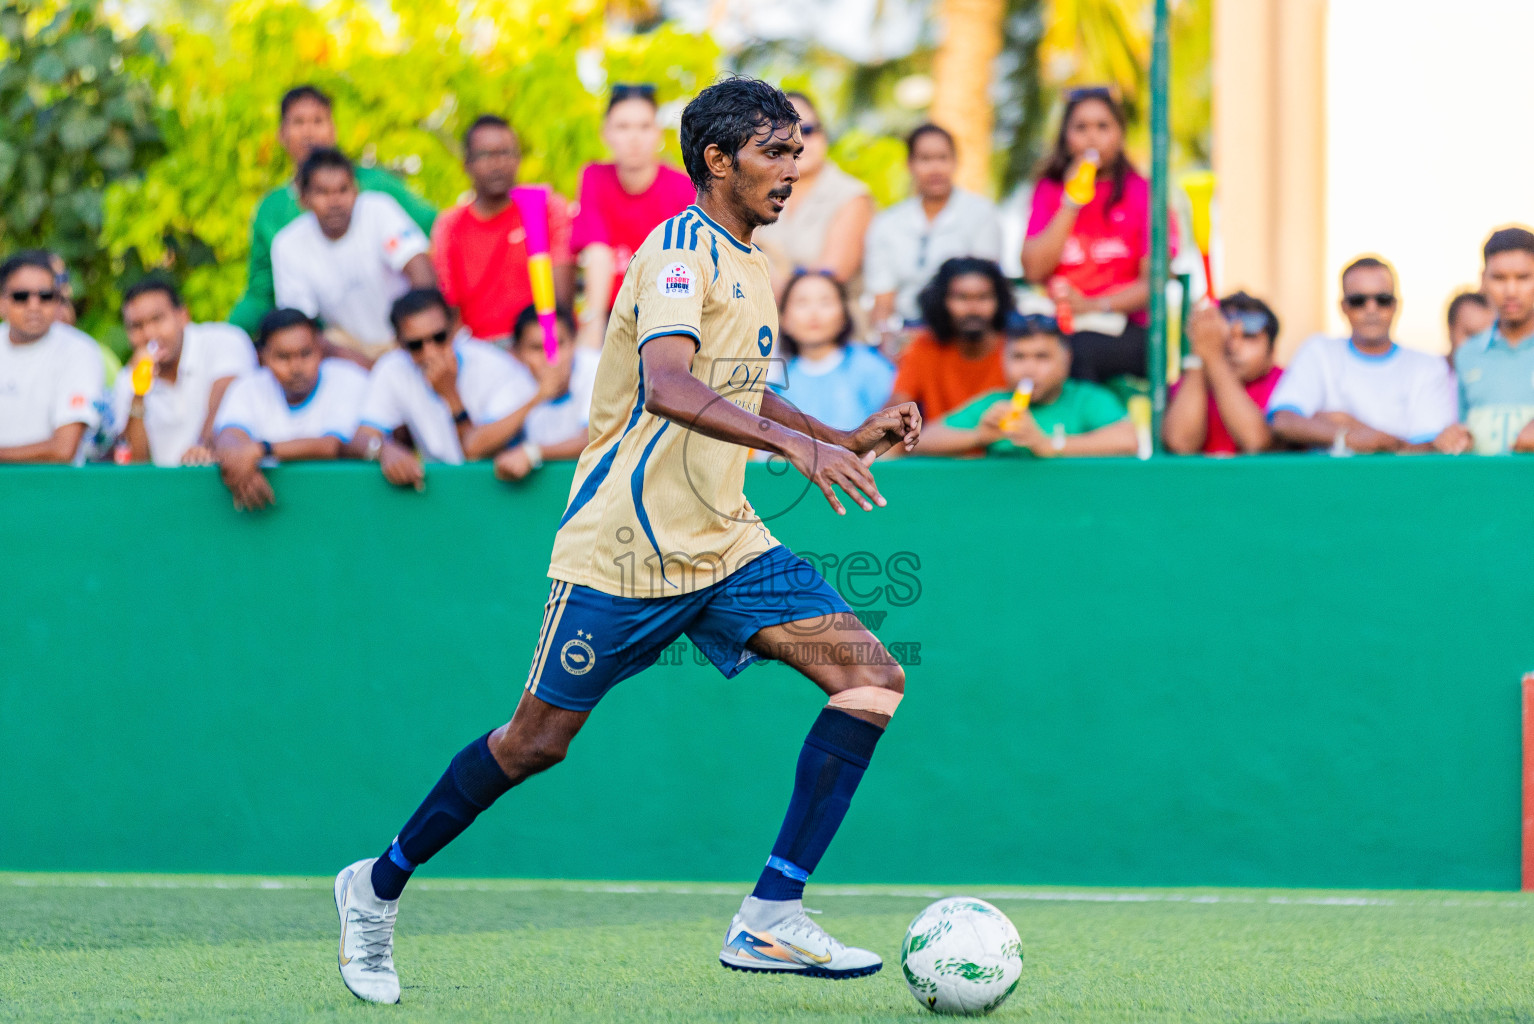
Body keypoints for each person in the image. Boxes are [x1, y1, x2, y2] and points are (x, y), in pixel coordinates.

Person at [331, 76, 922, 1006]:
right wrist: (801, 449)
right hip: (625, 550)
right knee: (533, 745)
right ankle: (377, 884)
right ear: (718, 160)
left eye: (798, 149)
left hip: (725, 543)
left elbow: (740, 385)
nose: (793, 167)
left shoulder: (752, 261)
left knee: (872, 678)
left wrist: (840, 436)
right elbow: (671, 387)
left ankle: (771, 914)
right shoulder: (679, 255)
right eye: (775, 150)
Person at [228, 85, 436, 337]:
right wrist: (228, 334)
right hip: (335, 344)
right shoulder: (272, 213)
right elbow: (262, 293)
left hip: (408, 331)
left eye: (318, 121)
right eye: (298, 122)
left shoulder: (378, 191)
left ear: (333, 130)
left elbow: (432, 231)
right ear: (281, 134)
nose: (309, 131)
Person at [1021, 87, 1177, 383]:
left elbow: (1155, 281)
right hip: (1056, 323)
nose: (1092, 137)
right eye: (1081, 127)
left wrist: (1093, 306)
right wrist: (1070, 203)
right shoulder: (1049, 190)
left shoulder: (1144, 192)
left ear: (1119, 134)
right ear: (1065, 137)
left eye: (1103, 126)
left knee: (1073, 353)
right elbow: (1034, 270)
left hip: (1127, 329)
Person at [347, 288, 543, 490]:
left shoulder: (495, 367)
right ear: (399, 343)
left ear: (455, 326)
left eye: (439, 337)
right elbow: (360, 437)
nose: (430, 352)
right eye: (416, 345)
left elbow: (474, 453)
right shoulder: (393, 368)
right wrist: (383, 449)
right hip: (439, 491)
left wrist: (450, 395)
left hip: (504, 488)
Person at [1269, 257, 1462, 454]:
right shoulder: (1318, 351)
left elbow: (1429, 448)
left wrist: (1349, 427)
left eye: (1382, 300)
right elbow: (1283, 421)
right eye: (1358, 301)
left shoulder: (1428, 366)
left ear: (1396, 305)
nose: (1371, 309)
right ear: (1343, 307)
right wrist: (1351, 436)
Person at [272, 148, 435, 361]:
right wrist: (364, 365)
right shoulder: (287, 245)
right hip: (348, 354)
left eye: (343, 190)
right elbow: (302, 328)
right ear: (304, 199)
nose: (335, 201)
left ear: (355, 191)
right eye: (323, 192)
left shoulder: (379, 209)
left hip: (409, 337)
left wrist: (410, 340)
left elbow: (421, 271)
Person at [569, 86, 695, 348]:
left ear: (658, 133)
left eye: (644, 126)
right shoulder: (594, 177)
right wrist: (592, 332)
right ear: (606, 133)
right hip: (611, 315)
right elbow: (598, 252)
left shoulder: (684, 188)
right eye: (623, 127)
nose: (634, 138)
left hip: (667, 317)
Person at [432, 115, 575, 344]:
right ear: (466, 163)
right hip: (481, 350)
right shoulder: (449, 225)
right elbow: (450, 310)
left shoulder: (547, 206)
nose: (497, 163)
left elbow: (562, 298)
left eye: (505, 153)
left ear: (518, 158)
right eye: (485, 155)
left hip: (543, 343)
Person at [212, 309, 367, 510]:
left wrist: (259, 450)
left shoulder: (349, 379)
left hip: (342, 504)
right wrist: (240, 460)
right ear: (263, 357)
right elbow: (227, 437)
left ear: (320, 349)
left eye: (305, 353)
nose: (296, 367)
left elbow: (332, 446)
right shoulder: (247, 387)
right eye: (283, 357)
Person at [920, 315, 1134, 458]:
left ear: (1066, 360)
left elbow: (1128, 440)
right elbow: (923, 440)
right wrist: (978, 436)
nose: (1028, 369)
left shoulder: (1086, 398)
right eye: (1018, 357)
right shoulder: (996, 403)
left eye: (1042, 357)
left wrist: (1048, 445)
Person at [864, 124, 1001, 329]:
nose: (935, 169)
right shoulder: (888, 223)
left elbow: (984, 287)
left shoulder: (981, 214)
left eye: (942, 158)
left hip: (964, 330)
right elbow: (883, 299)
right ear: (910, 165)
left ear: (955, 162)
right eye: (925, 159)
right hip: (906, 331)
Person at [112, 277, 256, 467]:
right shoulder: (127, 380)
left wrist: (200, 450)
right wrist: (138, 392)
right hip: (168, 491)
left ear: (182, 316)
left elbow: (226, 402)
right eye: (137, 326)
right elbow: (136, 463)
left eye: (157, 319)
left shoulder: (223, 341)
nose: (149, 334)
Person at [754, 92, 874, 300]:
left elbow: (830, 278)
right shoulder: (756, 193)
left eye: (807, 130)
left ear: (823, 134)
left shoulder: (852, 196)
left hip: (829, 325)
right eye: (785, 133)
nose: (798, 141)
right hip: (762, 325)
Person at [0, 250, 105, 464]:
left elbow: (63, 450)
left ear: (58, 300)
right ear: (2, 302)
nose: (34, 305)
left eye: (46, 296)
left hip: (53, 490)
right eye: (21, 296)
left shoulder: (79, 351)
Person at [768, 270, 894, 431]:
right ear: (784, 318)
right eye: (801, 303)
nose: (813, 313)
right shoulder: (775, 377)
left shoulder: (871, 367)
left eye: (825, 302)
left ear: (844, 315)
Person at [887, 257, 1011, 420]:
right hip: (936, 444)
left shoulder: (1015, 348)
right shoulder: (925, 347)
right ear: (942, 301)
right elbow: (896, 413)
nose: (973, 308)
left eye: (983, 297)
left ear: (999, 301)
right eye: (962, 298)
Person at [1162, 293, 1283, 455]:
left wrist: (1214, 358)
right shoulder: (1192, 382)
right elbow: (1181, 443)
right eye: (1227, 336)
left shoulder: (1286, 383)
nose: (1234, 346)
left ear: (1272, 352)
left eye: (1248, 336)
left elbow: (1256, 442)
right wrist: (1201, 352)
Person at [493, 304, 600, 481]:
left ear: (575, 342)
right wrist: (538, 397)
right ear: (516, 352)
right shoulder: (512, 376)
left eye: (559, 344)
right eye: (536, 348)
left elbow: (596, 440)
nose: (550, 358)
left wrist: (533, 452)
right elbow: (473, 447)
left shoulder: (596, 367)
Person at [1456, 227, 1534, 454]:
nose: (1511, 290)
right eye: (1499, 278)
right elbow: (1461, 430)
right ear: (1483, 280)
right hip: (1484, 487)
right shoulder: (1467, 354)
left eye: (1523, 277)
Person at [1447, 291, 1492, 360]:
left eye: (1487, 338)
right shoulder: (1427, 368)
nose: (1478, 344)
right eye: (1472, 335)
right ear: (1451, 330)